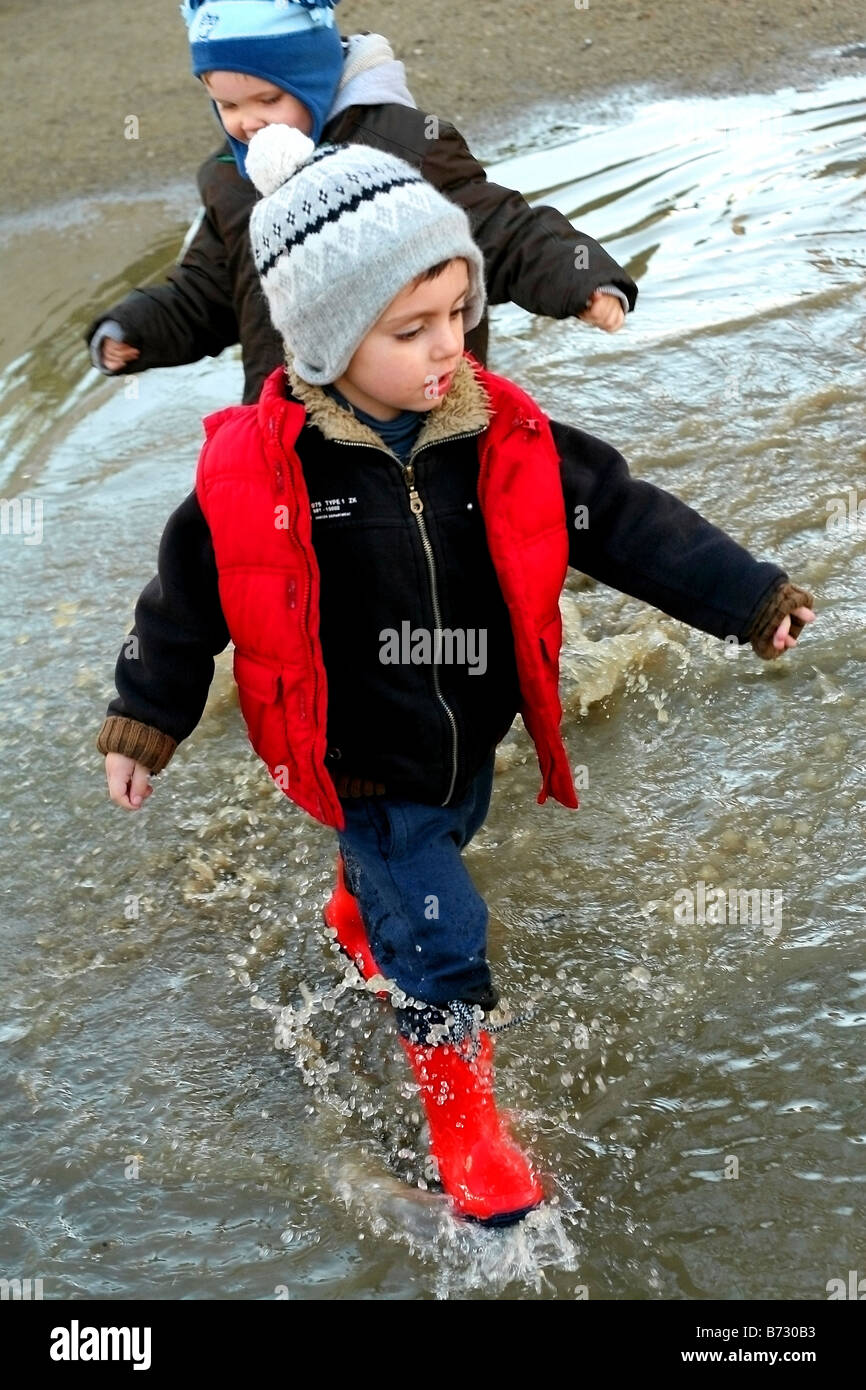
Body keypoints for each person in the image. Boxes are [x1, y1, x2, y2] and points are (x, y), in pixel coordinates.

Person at [96, 125, 815, 1227]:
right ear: (328, 342)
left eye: (457, 314)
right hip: (364, 756)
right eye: (411, 328)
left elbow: (623, 523)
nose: (448, 348)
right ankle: (462, 1123)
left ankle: (360, 902)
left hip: (467, 730)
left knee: (434, 854)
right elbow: (187, 593)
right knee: (441, 936)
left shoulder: (499, 434)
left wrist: (748, 597)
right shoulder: (265, 471)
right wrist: (145, 714)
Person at [86, 0, 636, 405]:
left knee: (455, 522)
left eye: (269, 99)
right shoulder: (233, 180)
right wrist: (136, 328)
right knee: (241, 538)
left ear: (315, 79)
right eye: (226, 104)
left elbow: (504, 230)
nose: (247, 121)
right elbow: (208, 290)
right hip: (291, 419)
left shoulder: (405, 145)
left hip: (426, 401)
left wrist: (580, 281)